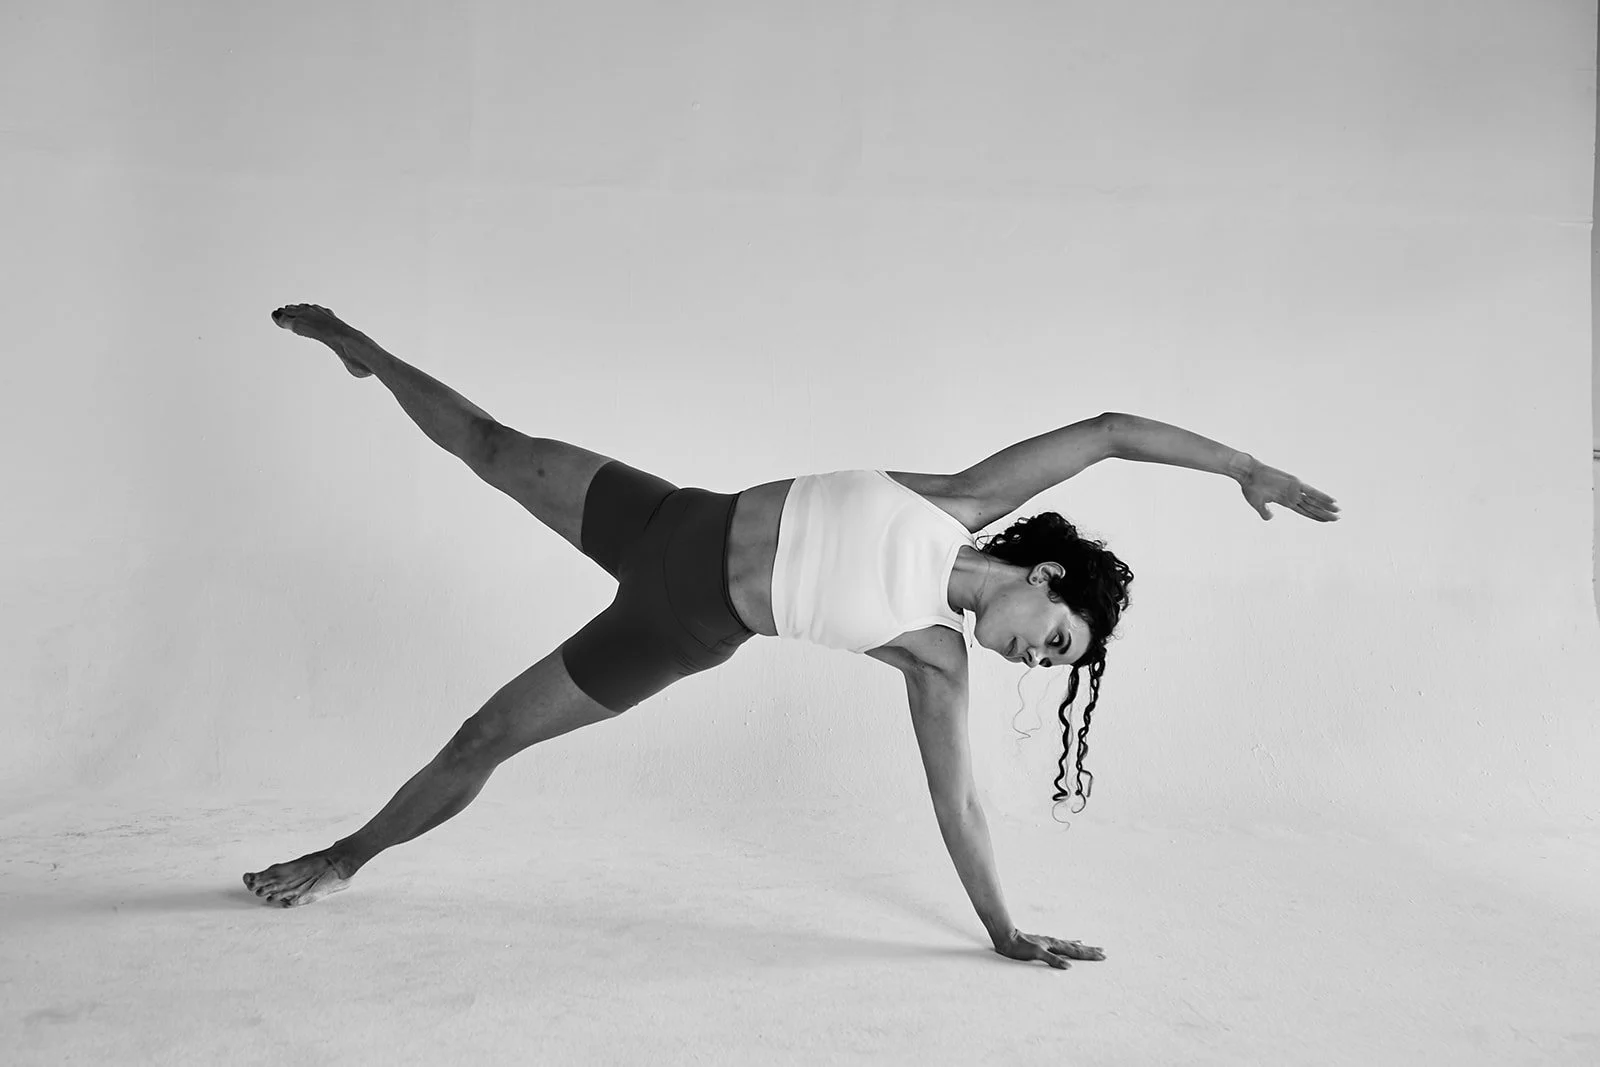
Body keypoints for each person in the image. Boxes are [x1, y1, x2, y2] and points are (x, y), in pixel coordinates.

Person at [244, 304, 1340, 970]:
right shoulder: (957, 500)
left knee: (484, 734)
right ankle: (363, 351)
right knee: (492, 443)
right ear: (1045, 576)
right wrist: (1244, 466)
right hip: (668, 514)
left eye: (1048, 666)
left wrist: (1005, 927)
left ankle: (343, 856)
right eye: (1054, 640)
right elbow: (1104, 433)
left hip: (672, 625)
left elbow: (957, 801)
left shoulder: (934, 655)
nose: (1033, 661)